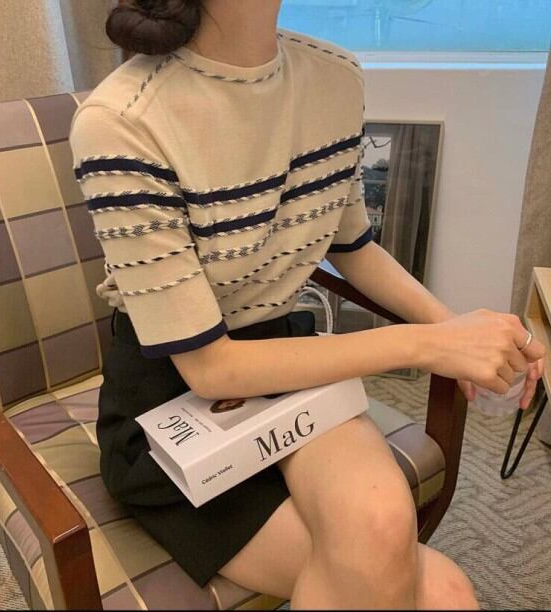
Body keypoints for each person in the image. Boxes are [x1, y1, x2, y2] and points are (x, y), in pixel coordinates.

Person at [68, 0, 546, 608]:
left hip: (289, 367)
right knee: (444, 591)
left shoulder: (335, 76)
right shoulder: (122, 120)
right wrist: (433, 344)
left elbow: (353, 247)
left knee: (389, 532)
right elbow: (211, 368)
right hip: (168, 406)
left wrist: (461, 332)